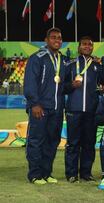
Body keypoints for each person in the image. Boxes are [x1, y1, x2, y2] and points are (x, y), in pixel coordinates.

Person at [63, 36, 104, 183]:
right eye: (84, 44)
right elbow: (62, 87)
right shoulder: (70, 64)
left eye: (90, 44)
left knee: (89, 143)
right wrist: (71, 86)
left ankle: (86, 173)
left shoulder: (96, 65)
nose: (87, 46)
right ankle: (71, 174)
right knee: (73, 143)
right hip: (73, 110)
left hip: (91, 110)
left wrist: (103, 68)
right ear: (79, 46)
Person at [24, 27, 66, 184]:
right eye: (54, 37)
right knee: (36, 140)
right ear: (46, 40)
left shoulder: (62, 59)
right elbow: (29, 83)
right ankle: (35, 174)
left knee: (52, 141)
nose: (57, 40)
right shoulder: (37, 58)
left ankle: (47, 172)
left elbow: (62, 86)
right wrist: (34, 104)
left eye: (59, 38)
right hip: (40, 108)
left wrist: (73, 85)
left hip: (56, 108)